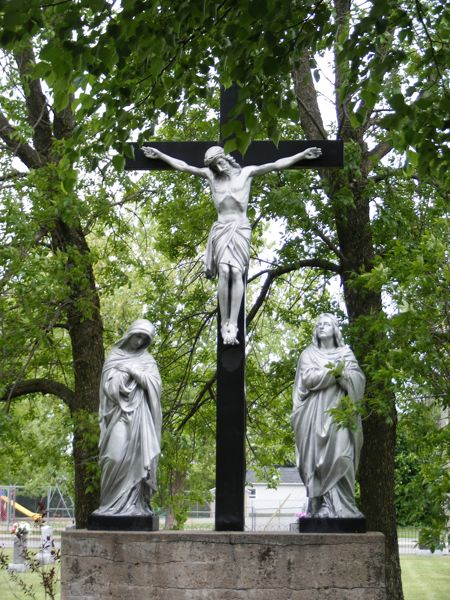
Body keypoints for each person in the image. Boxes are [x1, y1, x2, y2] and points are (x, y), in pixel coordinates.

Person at [143, 144, 321, 344]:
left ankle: (233, 323)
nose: (218, 168)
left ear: (226, 158)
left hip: (240, 229)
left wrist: (302, 155)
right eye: (214, 166)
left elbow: (276, 164)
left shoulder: (247, 173)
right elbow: (183, 166)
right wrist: (159, 155)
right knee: (224, 272)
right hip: (221, 229)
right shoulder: (212, 177)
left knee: (236, 273)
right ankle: (223, 323)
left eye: (219, 162)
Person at [291, 314, 365, 518]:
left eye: (327, 324)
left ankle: (345, 507)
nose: (322, 327)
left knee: (342, 456)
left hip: (340, 415)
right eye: (319, 325)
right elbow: (307, 379)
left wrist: (345, 376)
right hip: (314, 416)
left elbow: (358, 379)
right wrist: (334, 373)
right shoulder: (308, 354)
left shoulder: (346, 353)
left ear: (335, 330)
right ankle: (323, 505)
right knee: (317, 461)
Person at [93, 319, 162, 517]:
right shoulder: (115, 356)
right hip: (118, 415)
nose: (139, 341)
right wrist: (121, 381)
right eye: (138, 336)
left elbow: (155, 386)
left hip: (141, 418)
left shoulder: (148, 360)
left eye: (144, 339)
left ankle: (135, 506)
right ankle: (109, 505)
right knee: (113, 456)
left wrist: (133, 371)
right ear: (130, 333)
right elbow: (107, 387)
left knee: (139, 459)